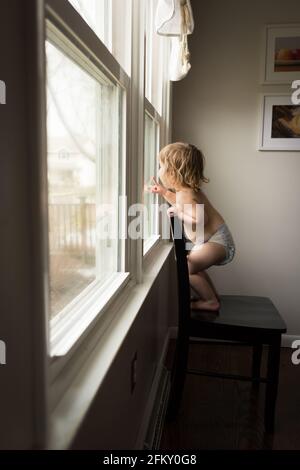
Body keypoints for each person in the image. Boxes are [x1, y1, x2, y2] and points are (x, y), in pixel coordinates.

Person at [147, 142, 236, 311]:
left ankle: (211, 302)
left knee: (186, 268)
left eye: (161, 166)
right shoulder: (184, 192)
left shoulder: (187, 194)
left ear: (173, 172)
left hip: (217, 241)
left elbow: (200, 218)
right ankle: (213, 297)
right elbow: (180, 203)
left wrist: (178, 213)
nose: (159, 171)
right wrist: (164, 193)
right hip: (212, 240)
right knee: (193, 265)